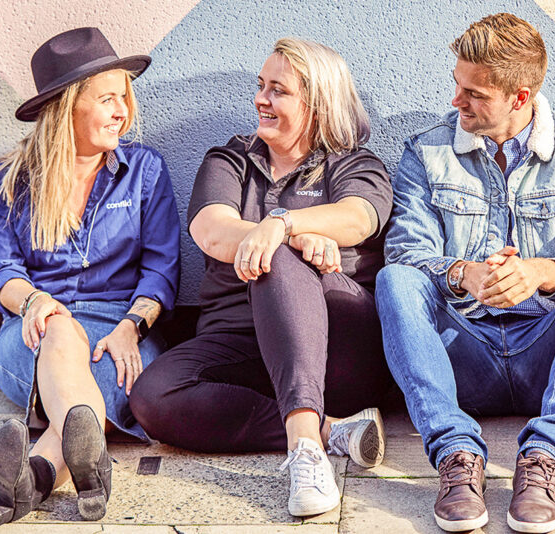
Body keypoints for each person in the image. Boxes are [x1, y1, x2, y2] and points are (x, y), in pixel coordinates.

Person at [375, 13, 555, 533]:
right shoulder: (425, 152)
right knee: (394, 280)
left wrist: (539, 271)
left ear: (520, 97)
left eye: (474, 93)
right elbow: (405, 250)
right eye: (456, 85)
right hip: (460, 350)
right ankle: (454, 454)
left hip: (548, 353)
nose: (456, 101)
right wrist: (462, 273)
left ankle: (544, 459)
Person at [129, 38, 393, 518]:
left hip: (338, 347)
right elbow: (211, 230)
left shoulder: (355, 164)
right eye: (260, 86)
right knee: (151, 396)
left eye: (278, 90)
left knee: (279, 258)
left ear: (317, 104)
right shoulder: (231, 160)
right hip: (241, 339)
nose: (261, 99)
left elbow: (359, 218)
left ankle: (305, 456)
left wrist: (283, 226)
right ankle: (331, 432)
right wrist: (286, 233)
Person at [0, 27, 180, 530]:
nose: (122, 111)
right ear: (68, 106)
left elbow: (161, 268)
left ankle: (36, 476)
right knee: (61, 333)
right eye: (107, 98)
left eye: (124, 97)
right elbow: (1, 268)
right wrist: (34, 304)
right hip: (29, 331)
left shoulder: (145, 171)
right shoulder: (11, 179)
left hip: (119, 331)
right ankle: (90, 470)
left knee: (94, 391)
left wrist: (132, 326)